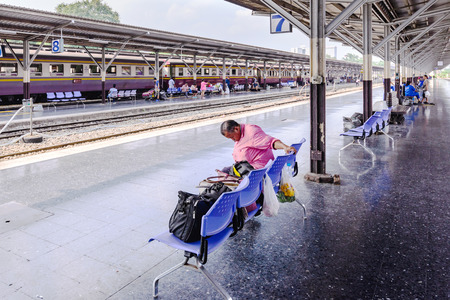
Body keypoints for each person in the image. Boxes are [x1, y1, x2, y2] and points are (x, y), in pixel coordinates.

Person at [220, 120, 297, 170]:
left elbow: (270, 142)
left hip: (255, 171)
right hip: (246, 167)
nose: (233, 140)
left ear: (236, 129)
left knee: (225, 174)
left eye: (232, 137)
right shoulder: (241, 133)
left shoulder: (251, 132)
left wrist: (285, 147)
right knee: (225, 171)